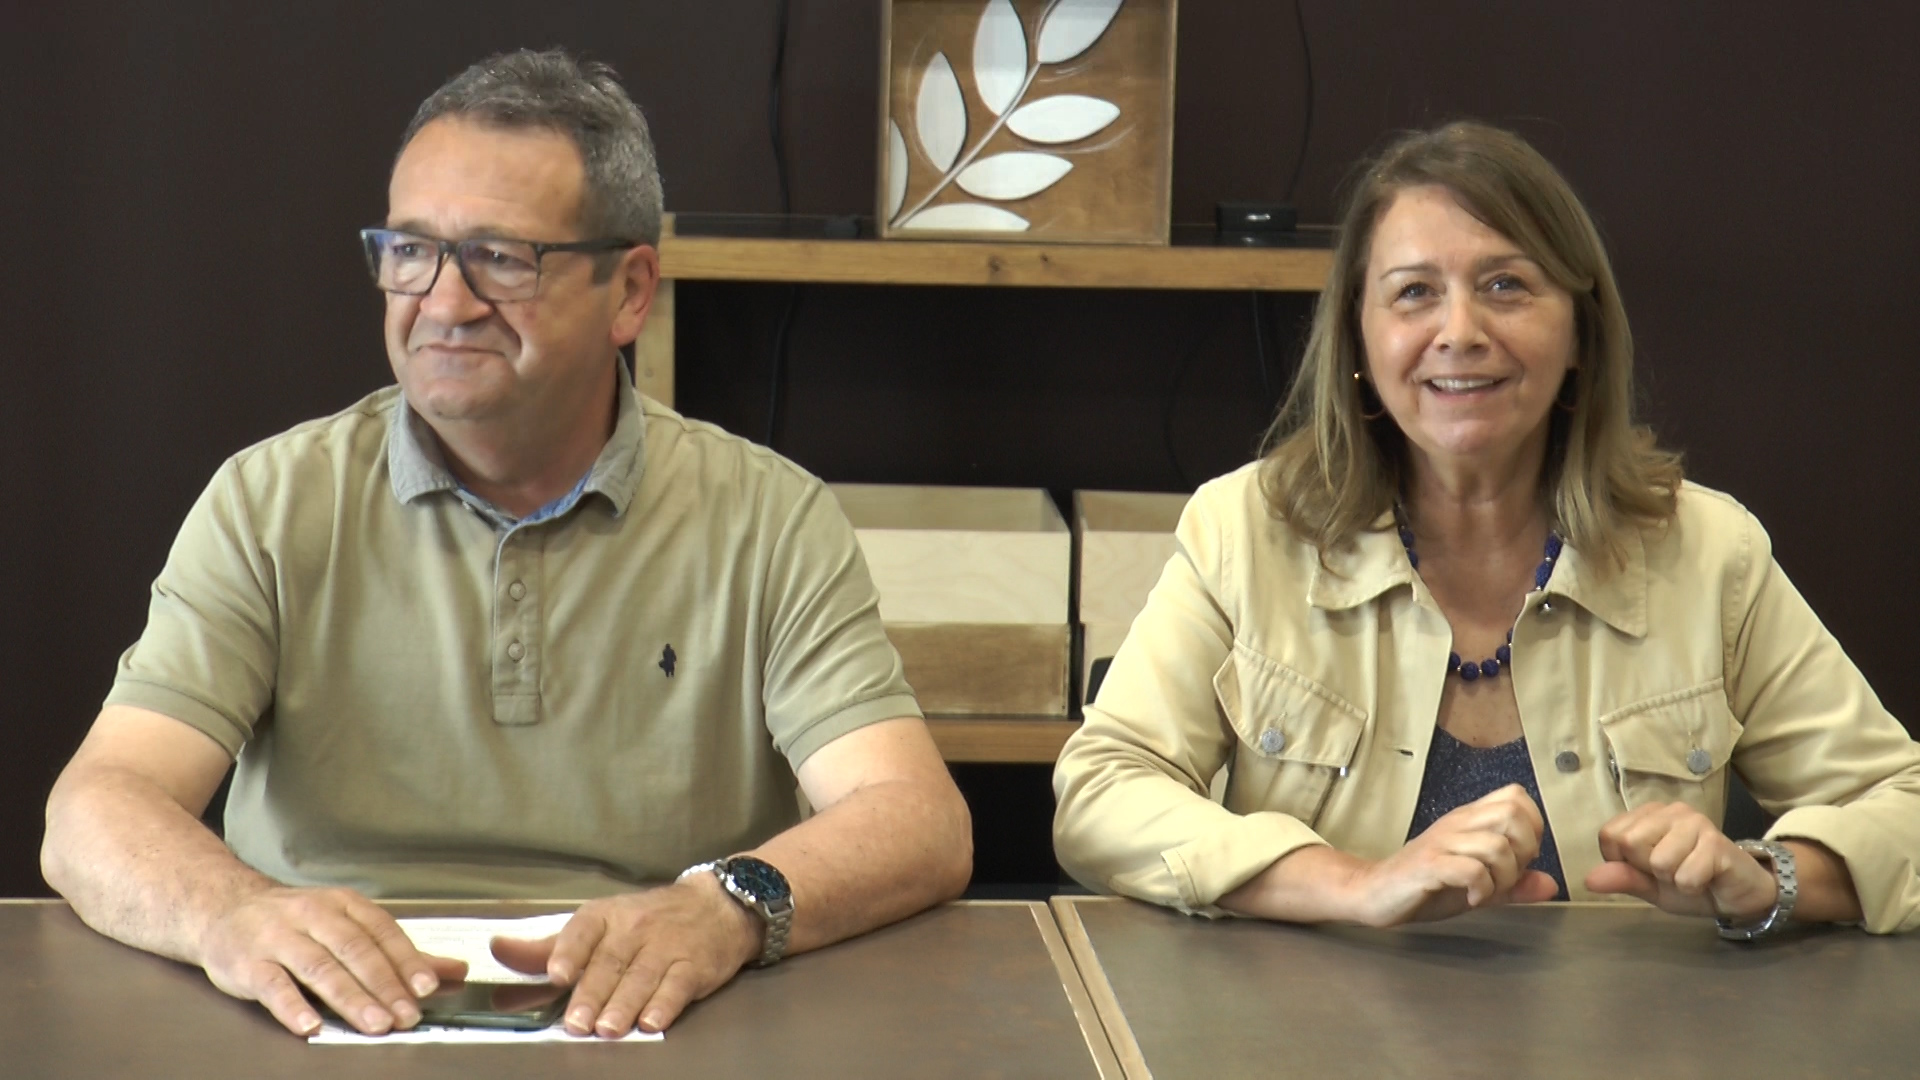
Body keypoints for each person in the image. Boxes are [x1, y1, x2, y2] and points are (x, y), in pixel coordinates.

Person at [40, 49, 971, 1039]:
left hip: (658, 1019)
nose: (443, 303)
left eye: (501, 257)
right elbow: (97, 806)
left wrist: (721, 909)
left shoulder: (769, 518)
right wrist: (233, 912)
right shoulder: (268, 503)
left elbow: (917, 819)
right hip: (322, 1021)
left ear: (630, 292)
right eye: (411, 250)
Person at [1053, 121, 1920, 936]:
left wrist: (1767, 878)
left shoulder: (1709, 553)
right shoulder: (1245, 531)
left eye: (1506, 285)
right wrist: (1355, 883)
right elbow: (1101, 792)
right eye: (1414, 293)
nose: (1460, 332)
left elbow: (1903, 804)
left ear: (1579, 333)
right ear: (1358, 338)